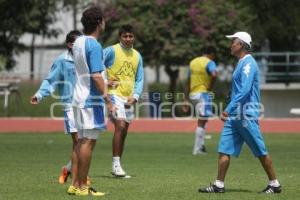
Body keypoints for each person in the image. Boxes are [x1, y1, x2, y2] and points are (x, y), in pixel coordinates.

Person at [199, 32, 281, 194]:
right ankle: (218, 185)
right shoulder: (241, 63)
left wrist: (228, 109)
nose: (231, 45)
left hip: (246, 115)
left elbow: (244, 91)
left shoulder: (249, 63)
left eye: (233, 42)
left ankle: (275, 184)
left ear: (242, 45)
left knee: (260, 151)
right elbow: (239, 89)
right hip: (235, 116)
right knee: (224, 149)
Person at [67, 6, 114, 196]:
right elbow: (95, 75)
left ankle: (74, 184)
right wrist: (107, 98)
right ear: (99, 22)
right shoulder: (94, 44)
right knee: (88, 142)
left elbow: (88, 71)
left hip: (78, 96)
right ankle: (82, 186)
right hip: (91, 99)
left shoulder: (78, 41)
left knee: (80, 141)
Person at [30, 30, 83, 184]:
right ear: (69, 44)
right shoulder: (62, 60)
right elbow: (50, 80)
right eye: (75, 42)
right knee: (78, 141)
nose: (79, 45)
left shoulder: (85, 59)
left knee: (86, 141)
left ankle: (68, 169)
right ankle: (79, 178)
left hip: (86, 104)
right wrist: (39, 95)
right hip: (69, 104)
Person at [103, 24, 144, 177]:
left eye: (130, 36)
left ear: (134, 37)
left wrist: (136, 96)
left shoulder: (138, 56)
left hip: (129, 98)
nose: (128, 39)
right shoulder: (111, 50)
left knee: (124, 131)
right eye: (125, 36)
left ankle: (117, 165)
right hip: (113, 94)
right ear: (120, 37)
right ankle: (116, 165)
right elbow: (95, 65)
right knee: (120, 126)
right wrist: (105, 81)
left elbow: (140, 79)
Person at [183, 46, 217, 155]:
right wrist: (210, 87)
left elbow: (188, 81)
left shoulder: (192, 62)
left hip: (193, 94)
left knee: (203, 119)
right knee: (202, 121)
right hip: (203, 94)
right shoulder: (210, 62)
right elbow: (214, 74)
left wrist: (185, 99)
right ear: (211, 54)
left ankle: (201, 147)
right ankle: (197, 150)